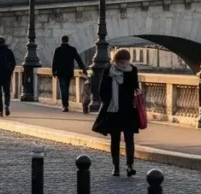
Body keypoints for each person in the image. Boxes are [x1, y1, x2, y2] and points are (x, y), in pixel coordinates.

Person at [92, 48, 140, 177]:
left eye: (125, 62)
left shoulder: (132, 70)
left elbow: (136, 87)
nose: (123, 65)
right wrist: (110, 102)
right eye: (121, 62)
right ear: (116, 61)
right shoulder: (108, 71)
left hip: (129, 110)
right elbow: (102, 91)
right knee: (115, 139)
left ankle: (130, 166)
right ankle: (116, 167)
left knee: (129, 139)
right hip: (114, 111)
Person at [51, 35, 87, 112]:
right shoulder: (72, 49)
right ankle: (65, 104)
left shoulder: (58, 50)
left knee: (63, 88)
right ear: (68, 40)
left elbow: (54, 61)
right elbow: (78, 59)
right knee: (66, 88)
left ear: (62, 40)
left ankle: (65, 105)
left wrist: (53, 71)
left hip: (60, 72)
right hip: (69, 72)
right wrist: (83, 68)